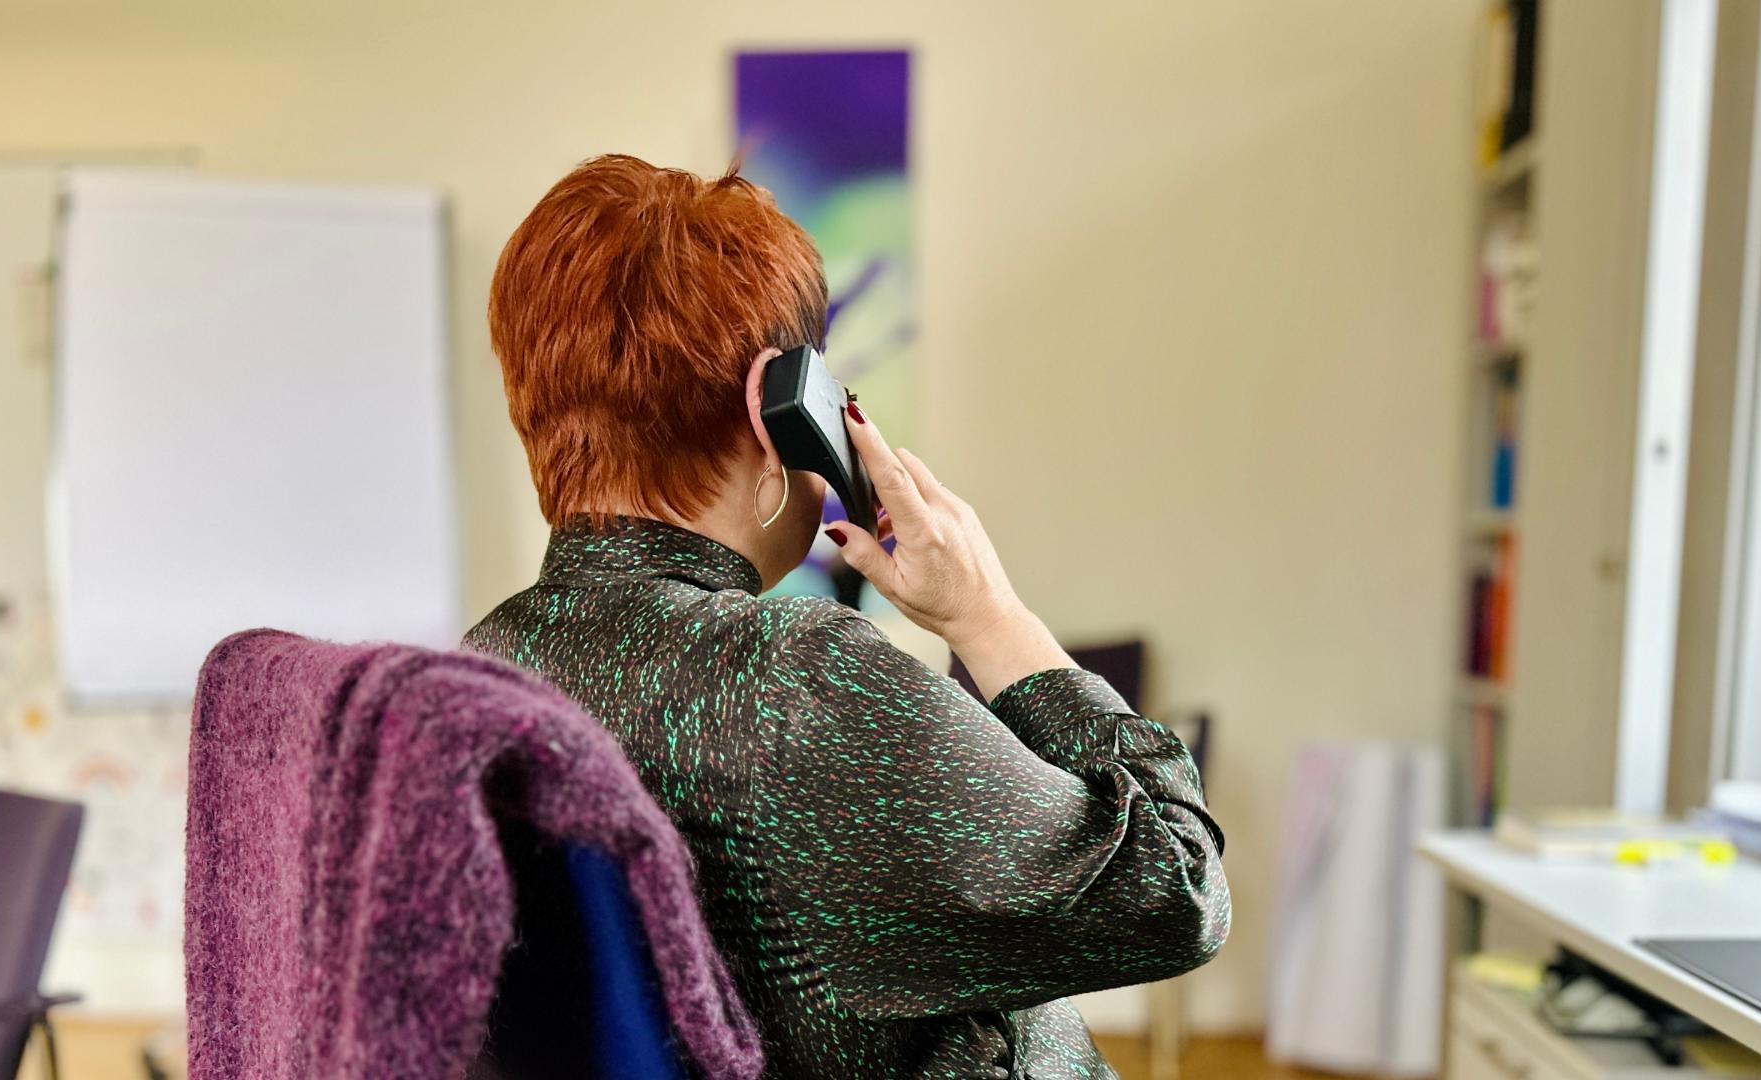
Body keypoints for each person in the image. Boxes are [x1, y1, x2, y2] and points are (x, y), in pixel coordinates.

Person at [466, 154, 1229, 1079]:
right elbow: (1177, 890)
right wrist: (990, 617)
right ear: (780, 408)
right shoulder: (793, 680)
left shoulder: (487, 666)